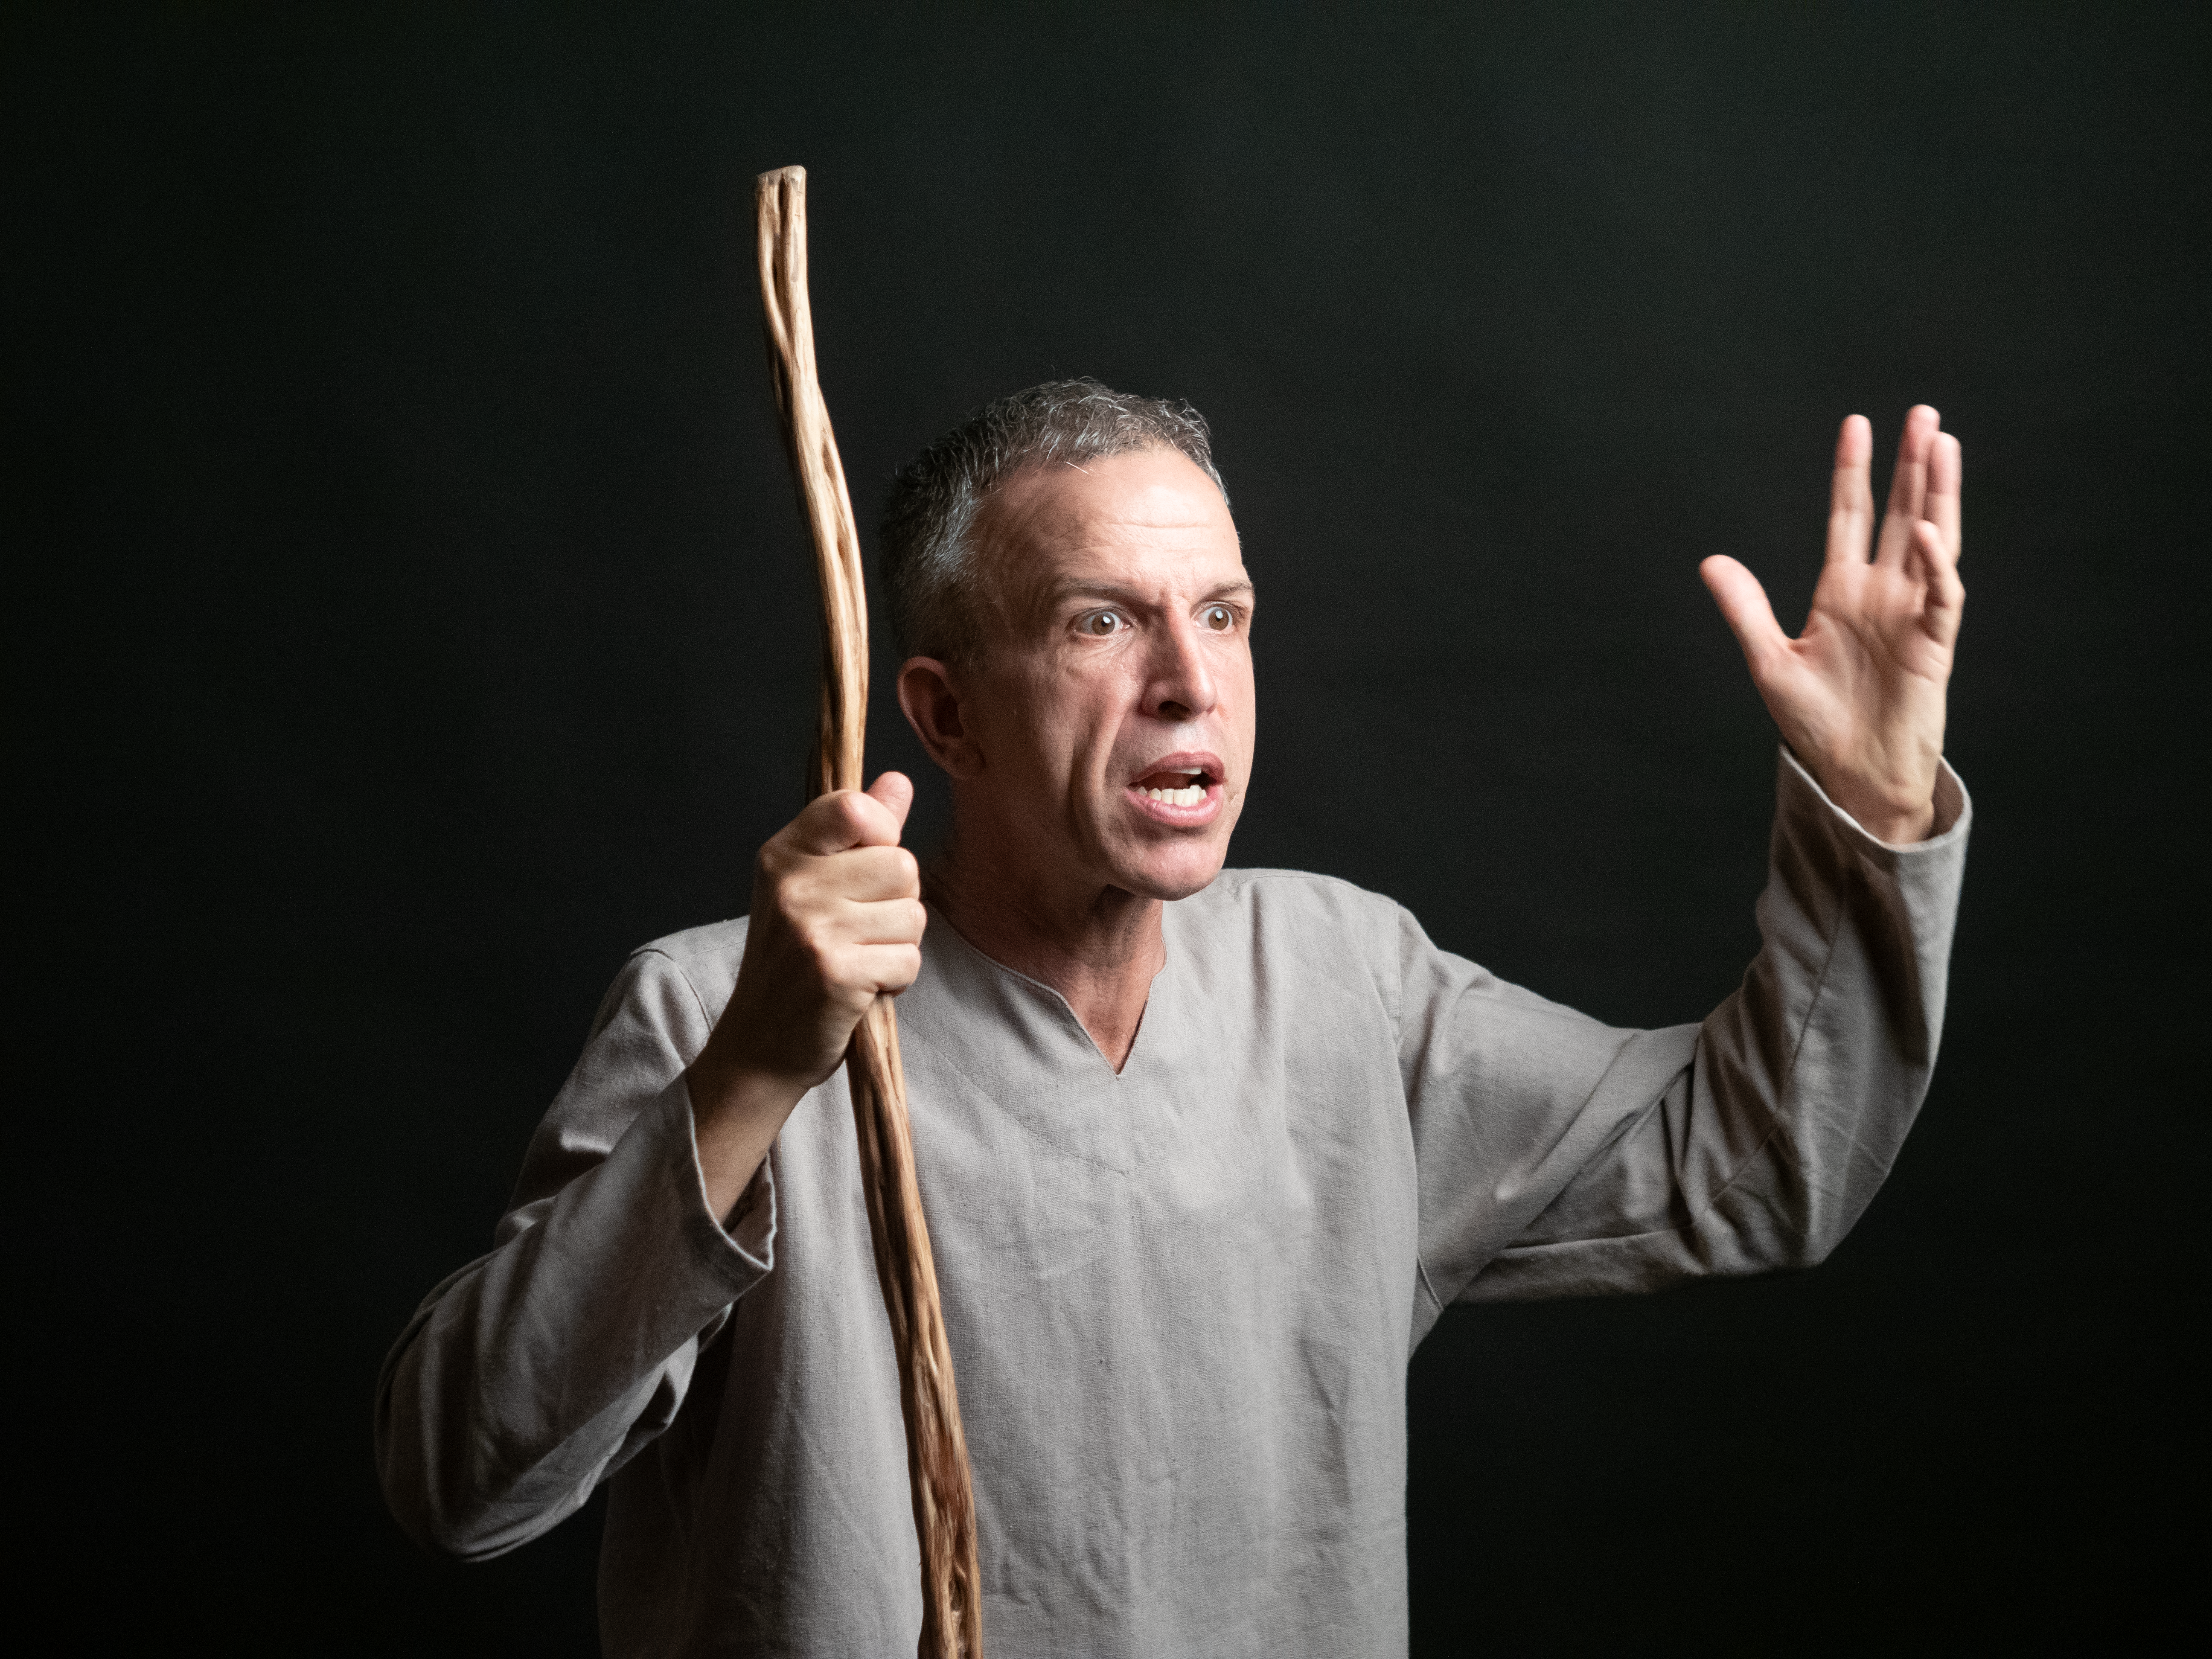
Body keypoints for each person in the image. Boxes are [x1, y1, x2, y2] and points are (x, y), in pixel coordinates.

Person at [376, 379, 1969, 1656]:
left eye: (1224, 616)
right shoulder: (726, 1009)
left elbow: (1765, 1161)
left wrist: (1875, 803)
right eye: (1100, 621)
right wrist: (749, 1076)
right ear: (941, 715)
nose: (1189, 684)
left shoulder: (1346, 984)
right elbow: (464, 1478)